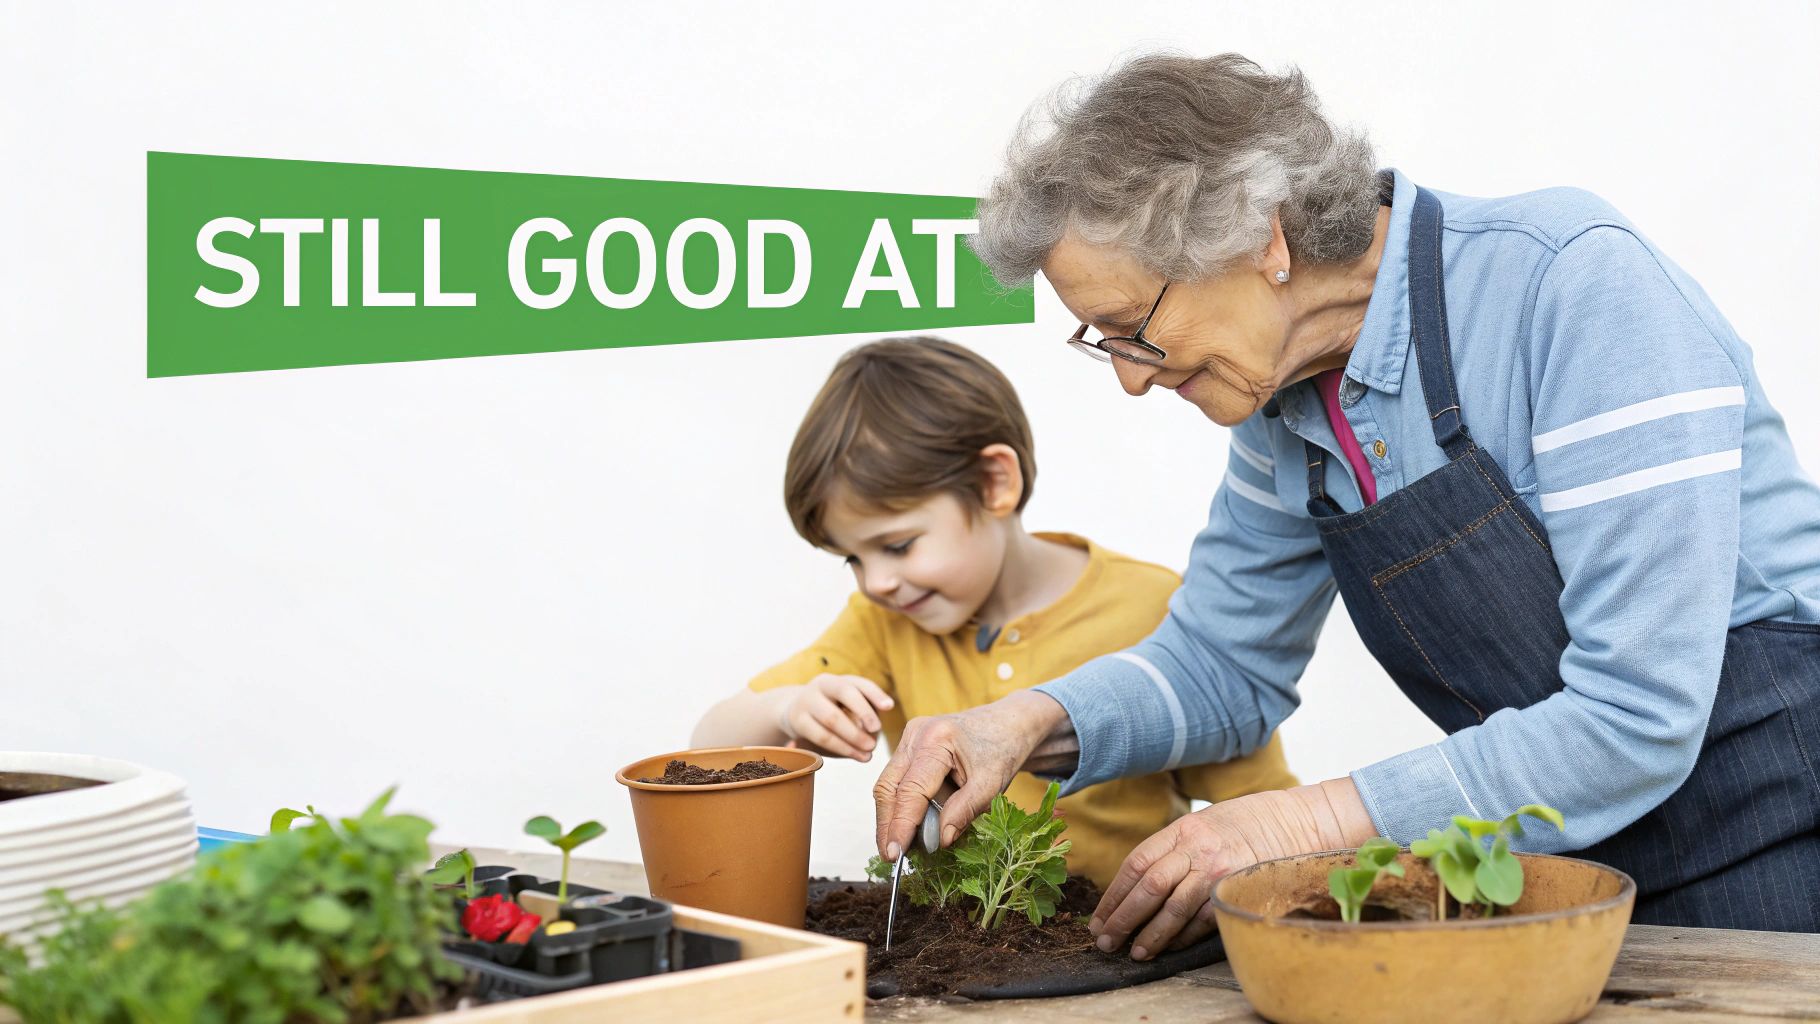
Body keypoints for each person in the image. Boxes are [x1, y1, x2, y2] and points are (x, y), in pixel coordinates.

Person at [873, 52, 1820, 950]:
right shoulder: (1283, 398)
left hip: (1777, 829)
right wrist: (1027, 722)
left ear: (1263, 241)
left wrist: (1296, 823)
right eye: (1102, 340)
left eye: (1135, 330)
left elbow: (1637, 714)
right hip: (1565, 867)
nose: (1130, 380)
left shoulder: (1570, 285)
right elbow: (1221, 665)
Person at [692, 336, 1298, 886]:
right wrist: (786, 707)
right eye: (851, 558)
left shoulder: (1157, 613)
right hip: (949, 960)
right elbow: (706, 753)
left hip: (1120, 956)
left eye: (897, 545)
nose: (877, 581)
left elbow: (1263, 817)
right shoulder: (882, 622)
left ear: (993, 483)